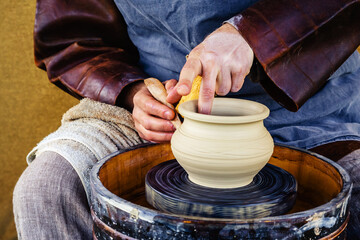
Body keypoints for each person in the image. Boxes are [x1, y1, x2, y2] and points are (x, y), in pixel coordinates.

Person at [13, 0, 360, 239]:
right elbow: (73, 35)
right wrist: (131, 90)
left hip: (312, 104)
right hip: (158, 102)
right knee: (45, 190)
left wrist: (251, 35)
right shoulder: (141, 96)